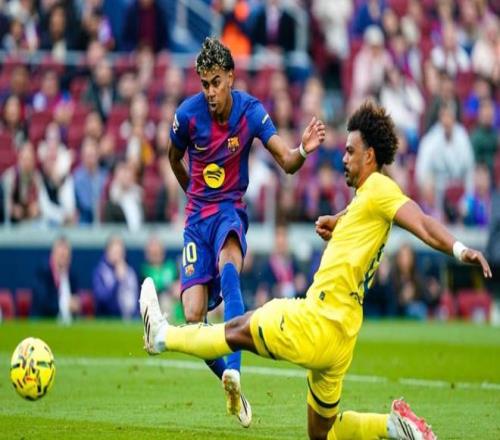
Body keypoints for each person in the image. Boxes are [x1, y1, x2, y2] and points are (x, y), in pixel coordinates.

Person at [141, 101, 492, 440]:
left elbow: (423, 223)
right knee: (321, 433)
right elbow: (362, 214)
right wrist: (338, 222)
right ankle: (392, 426)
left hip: (318, 319)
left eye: (351, 151)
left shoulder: (381, 189)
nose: (344, 158)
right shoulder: (367, 198)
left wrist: (460, 250)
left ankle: (161, 336)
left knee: (235, 330)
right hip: (342, 336)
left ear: (370, 156)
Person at [167, 37, 326, 428]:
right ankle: (228, 378)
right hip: (196, 218)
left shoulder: (251, 112)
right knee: (193, 318)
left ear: (231, 78)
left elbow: (287, 161)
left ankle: (236, 371)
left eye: (216, 83)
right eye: (204, 84)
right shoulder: (187, 116)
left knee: (230, 267)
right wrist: (193, 196)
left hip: (229, 210)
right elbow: (173, 158)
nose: (210, 92)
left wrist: (303, 150)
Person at [32, 236, 79, 323]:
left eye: (66, 256)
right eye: (61, 255)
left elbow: (75, 299)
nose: (64, 259)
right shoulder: (43, 273)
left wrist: (76, 305)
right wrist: (65, 305)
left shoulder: (72, 276)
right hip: (44, 322)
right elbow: (43, 301)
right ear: (53, 255)